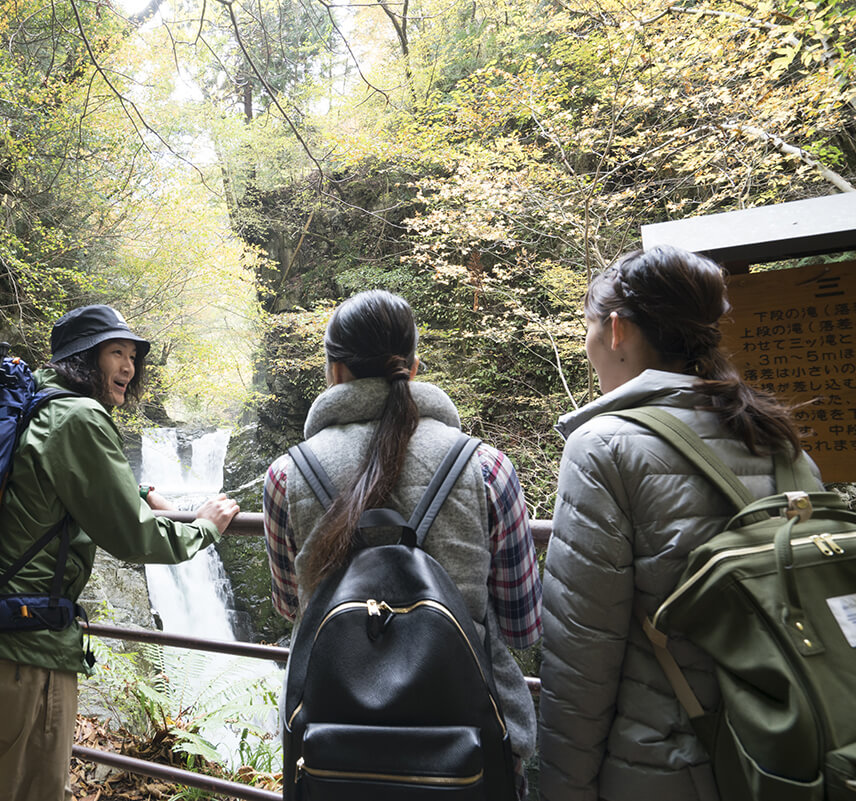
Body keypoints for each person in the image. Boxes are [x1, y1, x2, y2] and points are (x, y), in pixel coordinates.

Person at [537, 245, 823, 801]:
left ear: (616, 330)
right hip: (792, 752)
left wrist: (563, 789)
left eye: (589, 327)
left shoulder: (604, 448)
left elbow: (582, 651)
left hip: (668, 763)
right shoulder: (777, 439)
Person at [0, 304, 240, 801]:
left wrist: (138, 487)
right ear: (83, 360)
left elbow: (41, 483)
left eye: (132, 355)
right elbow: (133, 537)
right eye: (115, 353)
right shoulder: (78, 417)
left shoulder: (28, 406)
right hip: (27, 656)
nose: (129, 366)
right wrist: (204, 529)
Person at [263, 289, 542, 799]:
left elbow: (291, 606)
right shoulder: (486, 467)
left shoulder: (286, 476)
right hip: (468, 744)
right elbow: (523, 623)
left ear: (335, 370)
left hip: (335, 747)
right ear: (414, 367)